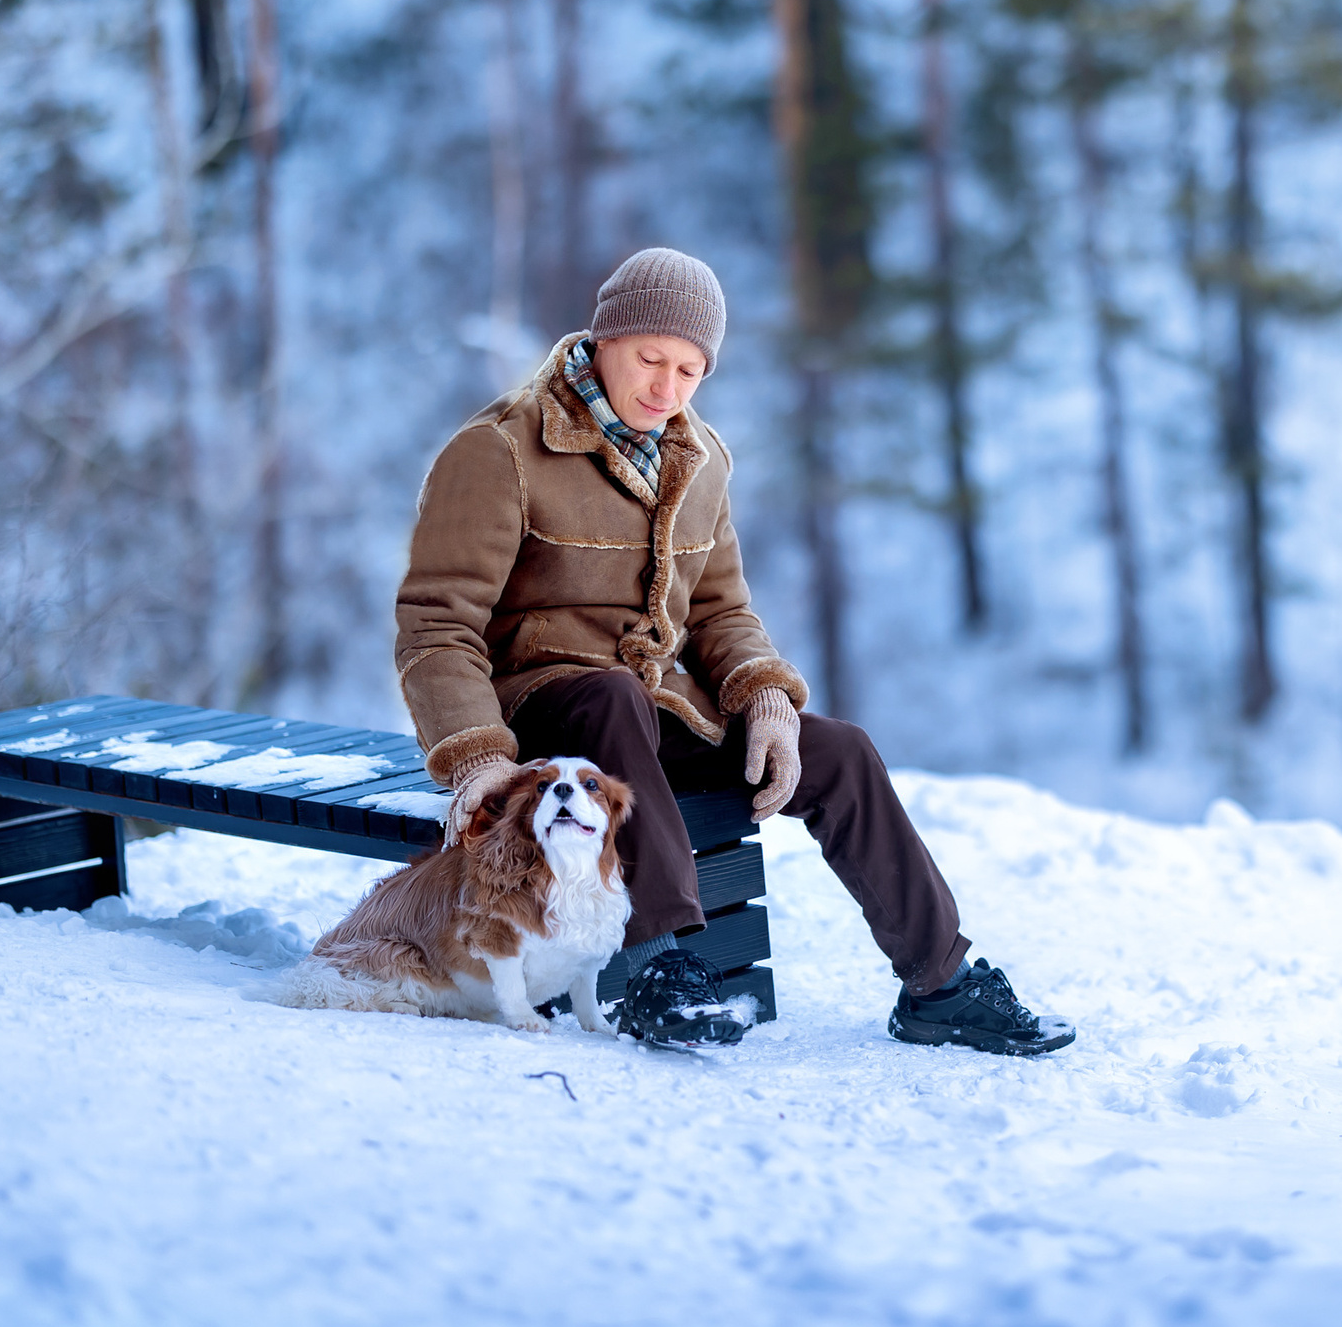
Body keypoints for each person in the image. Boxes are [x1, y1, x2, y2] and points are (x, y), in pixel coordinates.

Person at [394, 247, 1074, 1055]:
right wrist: (477, 757)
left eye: (689, 369)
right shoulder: (501, 449)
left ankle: (941, 982)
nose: (666, 387)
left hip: (650, 715)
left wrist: (765, 697)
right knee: (611, 697)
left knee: (841, 752)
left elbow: (721, 608)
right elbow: (436, 621)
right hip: (544, 729)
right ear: (603, 339)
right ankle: (659, 967)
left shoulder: (701, 460)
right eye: (650, 359)